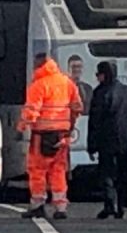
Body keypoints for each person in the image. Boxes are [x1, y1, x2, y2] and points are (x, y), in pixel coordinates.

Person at [17, 51, 84, 220]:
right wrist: (70, 125)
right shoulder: (67, 82)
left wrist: (22, 126)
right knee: (58, 170)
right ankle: (60, 206)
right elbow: (77, 107)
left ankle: (38, 204)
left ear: (38, 65)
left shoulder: (39, 85)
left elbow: (32, 110)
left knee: (37, 170)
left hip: (42, 135)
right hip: (63, 134)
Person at [87, 60, 127, 220]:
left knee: (107, 174)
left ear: (104, 75)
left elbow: (95, 121)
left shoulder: (100, 93)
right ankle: (122, 205)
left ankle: (109, 204)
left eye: (98, 74)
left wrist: (92, 145)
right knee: (124, 174)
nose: (97, 78)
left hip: (107, 141)